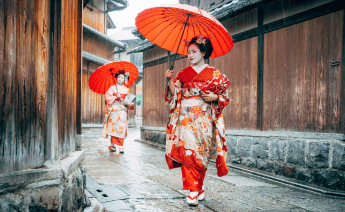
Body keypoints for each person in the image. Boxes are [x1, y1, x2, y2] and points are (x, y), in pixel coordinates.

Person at [165, 35, 230, 206]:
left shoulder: (215, 74)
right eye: (188, 52)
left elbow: (224, 96)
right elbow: (174, 94)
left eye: (194, 51)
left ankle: (198, 186)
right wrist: (169, 79)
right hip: (185, 118)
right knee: (188, 152)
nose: (190, 55)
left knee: (201, 153)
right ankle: (193, 191)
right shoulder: (183, 73)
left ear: (203, 52)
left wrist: (214, 96)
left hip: (204, 118)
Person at [101, 70, 134, 153]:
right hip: (114, 109)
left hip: (122, 109)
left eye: (122, 77)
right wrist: (115, 97)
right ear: (116, 78)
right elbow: (107, 98)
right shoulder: (112, 88)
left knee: (122, 126)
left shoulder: (127, 90)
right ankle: (112, 144)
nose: (120, 79)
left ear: (124, 79)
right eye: (119, 77)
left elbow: (129, 100)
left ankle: (121, 145)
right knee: (114, 127)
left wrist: (130, 103)